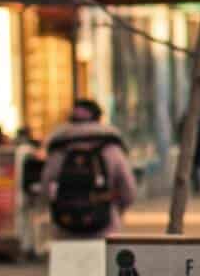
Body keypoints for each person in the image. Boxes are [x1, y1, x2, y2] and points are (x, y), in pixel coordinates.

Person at [40, 99, 137, 237]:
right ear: (99, 118)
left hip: (65, 225)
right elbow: (128, 190)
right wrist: (116, 209)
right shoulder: (111, 146)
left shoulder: (59, 147)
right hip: (105, 225)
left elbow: (46, 185)